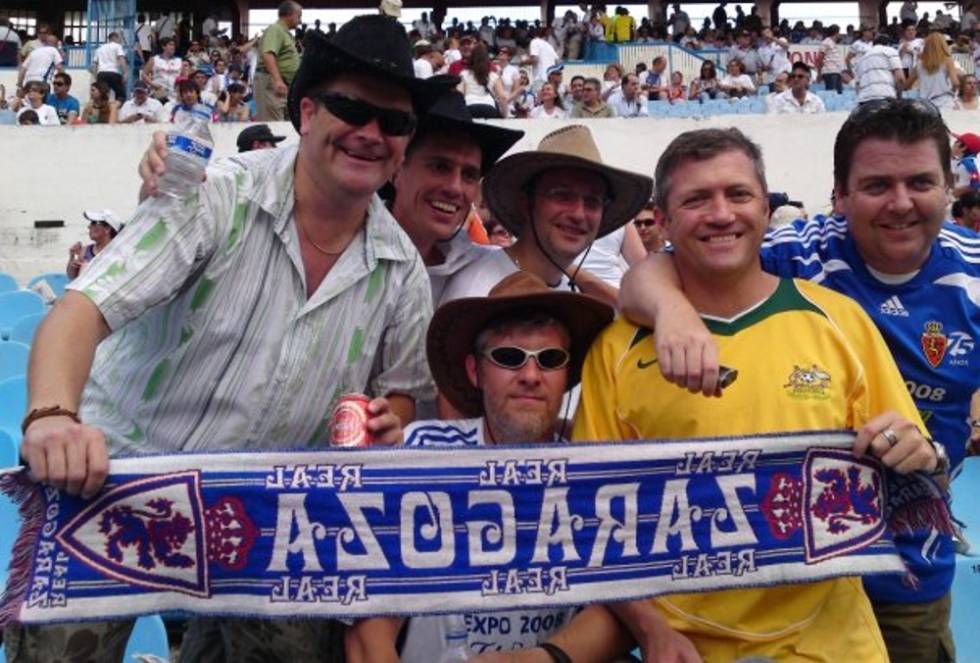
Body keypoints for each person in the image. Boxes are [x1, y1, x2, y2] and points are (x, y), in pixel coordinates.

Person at [13, 16, 453, 663]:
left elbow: (403, 396)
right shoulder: (218, 197)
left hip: (268, 517)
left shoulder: (402, 271)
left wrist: (392, 420)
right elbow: (80, 309)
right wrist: (52, 417)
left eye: (394, 122)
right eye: (352, 107)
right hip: (117, 487)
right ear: (305, 110)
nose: (371, 133)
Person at [518, 126, 941, 663]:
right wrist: (651, 630)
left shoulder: (838, 322)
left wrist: (914, 452)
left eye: (737, 195)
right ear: (664, 221)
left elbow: (910, 454)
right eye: (697, 199)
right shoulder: (617, 349)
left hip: (834, 645)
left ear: (765, 207)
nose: (721, 214)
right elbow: (594, 520)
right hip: (685, 650)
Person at [621, 98, 979, 663]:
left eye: (920, 182)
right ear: (839, 195)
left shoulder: (976, 276)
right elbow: (663, 263)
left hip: (908, 560)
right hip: (786, 573)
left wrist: (931, 452)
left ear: (949, 186)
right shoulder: (794, 255)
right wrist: (672, 308)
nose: (901, 203)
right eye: (877, 185)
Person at [347, 271, 613, 662]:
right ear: (475, 372)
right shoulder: (424, 454)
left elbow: (626, 609)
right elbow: (370, 618)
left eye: (550, 359)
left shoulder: (595, 467)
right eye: (509, 357)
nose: (530, 376)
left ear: (566, 375)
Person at [439, 124, 652, 311]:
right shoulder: (478, 290)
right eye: (562, 195)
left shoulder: (567, 290)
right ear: (527, 202)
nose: (579, 214)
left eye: (593, 201)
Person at [254, 0, 302, 121]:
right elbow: (268, 54)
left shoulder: (285, 33)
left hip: (283, 85)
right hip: (271, 82)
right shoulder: (276, 29)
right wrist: (277, 80)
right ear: (290, 14)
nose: (300, 20)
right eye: (299, 15)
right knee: (273, 125)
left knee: (284, 124)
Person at [906, 32, 958, 110]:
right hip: (944, 101)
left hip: (925, 104)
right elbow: (955, 83)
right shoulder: (947, 60)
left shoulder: (919, 64)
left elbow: (907, 85)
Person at [67, 211, 121, 279]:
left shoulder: (119, 253)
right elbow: (72, 277)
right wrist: (72, 256)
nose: (89, 226)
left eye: (93, 223)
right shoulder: (85, 250)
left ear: (107, 229)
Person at [458, 42, 504, 119]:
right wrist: (505, 114)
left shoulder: (464, 74)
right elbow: (502, 97)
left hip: (470, 106)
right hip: (489, 107)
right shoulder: (493, 76)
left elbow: (459, 95)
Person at [854, 33, 904, 103]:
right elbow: (900, 78)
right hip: (886, 97)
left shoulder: (862, 59)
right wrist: (899, 98)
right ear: (888, 44)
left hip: (864, 101)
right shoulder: (890, 51)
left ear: (873, 45)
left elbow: (857, 86)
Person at [143, 36, 181, 103]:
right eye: (170, 45)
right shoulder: (154, 59)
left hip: (174, 94)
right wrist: (153, 84)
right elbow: (144, 74)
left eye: (174, 45)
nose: (173, 47)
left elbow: (185, 76)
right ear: (163, 47)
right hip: (159, 92)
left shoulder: (179, 61)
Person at [93, 31, 128, 102]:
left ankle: (103, 111)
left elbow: (95, 64)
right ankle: (115, 110)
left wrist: (96, 77)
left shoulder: (99, 49)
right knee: (121, 96)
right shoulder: (117, 46)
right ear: (115, 38)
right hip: (114, 73)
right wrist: (125, 73)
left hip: (101, 74)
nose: (120, 41)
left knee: (102, 96)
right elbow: (121, 59)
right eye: (119, 39)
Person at [951, 131, 980, 198]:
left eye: (957, 141)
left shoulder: (968, 163)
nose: (954, 143)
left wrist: (960, 191)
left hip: (968, 201)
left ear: (963, 147)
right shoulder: (967, 161)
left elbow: (977, 182)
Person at [819, 24, 844, 93]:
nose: (840, 34)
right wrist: (819, 72)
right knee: (831, 92)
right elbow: (820, 57)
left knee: (839, 92)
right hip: (829, 71)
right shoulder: (826, 42)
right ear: (835, 33)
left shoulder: (833, 43)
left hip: (836, 71)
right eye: (839, 32)